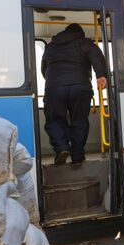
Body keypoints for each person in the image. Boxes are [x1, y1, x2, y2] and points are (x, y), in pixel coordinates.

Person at [41, 23, 107, 165]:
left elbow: (43, 68)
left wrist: (54, 82)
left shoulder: (51, 46)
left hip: (54, 87)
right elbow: (97, 56)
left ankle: (61, 148)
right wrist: (101, 75)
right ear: (80, 33)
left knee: (55, 119)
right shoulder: (85, 43)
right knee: (79, 121)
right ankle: (77, 155)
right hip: (80, 86)